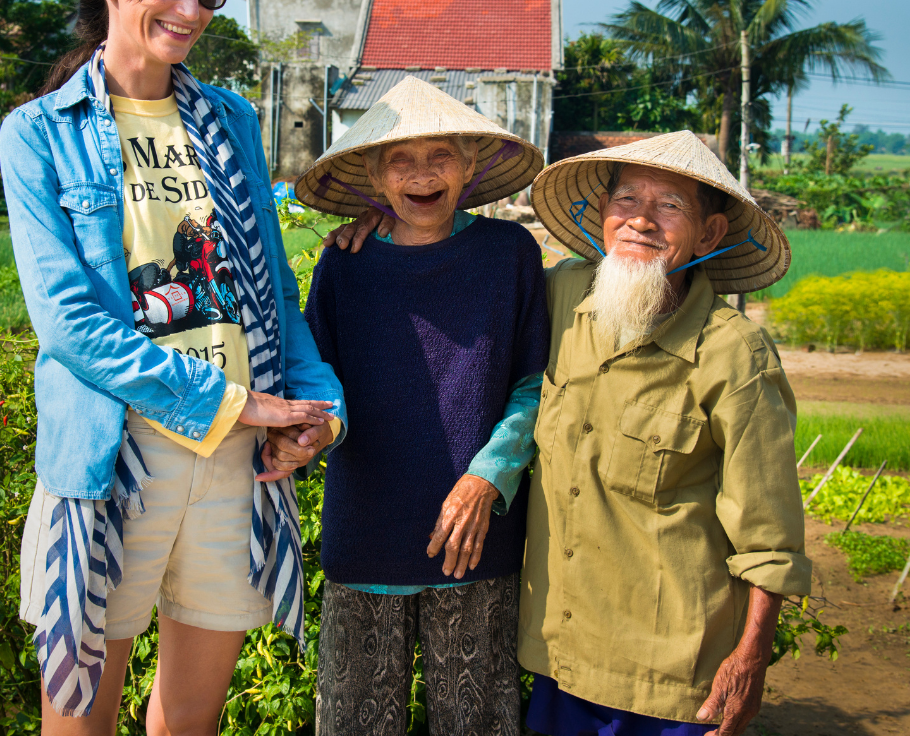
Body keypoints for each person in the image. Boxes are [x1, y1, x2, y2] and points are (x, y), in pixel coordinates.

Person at [327, 130, 808, 736]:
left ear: (709, 235)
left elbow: (769, 538)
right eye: (626, 200)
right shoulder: (566, 294)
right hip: (565, 652)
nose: (641, 221)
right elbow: (446, 277)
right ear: (602, 214)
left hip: (671, 662)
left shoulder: (735, 354)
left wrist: (751, 657)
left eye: (670, 206)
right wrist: (386, 223)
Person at [0, 0, 346, 736]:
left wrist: (320, 407)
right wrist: (232, 402)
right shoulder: (39, 133)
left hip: (236, 462)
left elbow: (271, 291)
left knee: (191, 719)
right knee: (77, 722)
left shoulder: (229, 119)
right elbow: (70, 324)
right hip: (114, 454)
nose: (192, 8)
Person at [292, 77, 549, 736]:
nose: (421, 174)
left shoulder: (509, 254)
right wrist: (306, 433)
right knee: (354, 721)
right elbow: (316, 383)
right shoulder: (344, 264)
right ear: (375, 178)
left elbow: (534, 384)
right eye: (399, 160)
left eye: (440, 157)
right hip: (366, 529)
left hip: (475, 534)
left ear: (470, 165)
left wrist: (488, 478)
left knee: (477, 719)